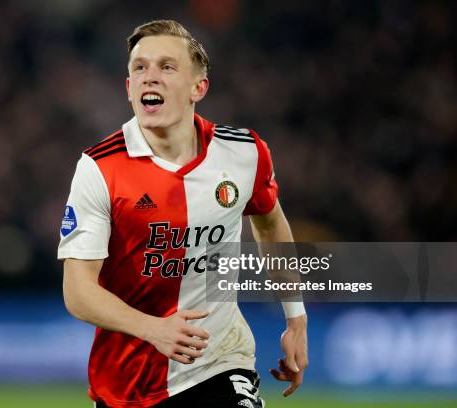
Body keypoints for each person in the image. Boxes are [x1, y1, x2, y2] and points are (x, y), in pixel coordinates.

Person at [58, 19, 308, 408]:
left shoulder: (244, 153)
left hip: (220, 363)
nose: (149, 77)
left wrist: (296, 318)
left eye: (166, 67)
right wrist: (152, 328)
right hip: (127, 385)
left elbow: (270, 221)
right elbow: (78, 292)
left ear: (199, 88)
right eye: (139, 68)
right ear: (128, 88)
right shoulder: (99, 168)